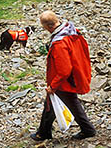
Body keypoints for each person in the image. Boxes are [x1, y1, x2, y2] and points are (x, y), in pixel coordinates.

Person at [31, 10, 96, 141]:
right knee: (52, 103)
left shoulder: (59, 44)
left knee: (68, 103)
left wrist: (53, 85)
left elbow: (64, 70)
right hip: (73, 76)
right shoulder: (70, 30)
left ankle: (88, 129)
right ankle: (43, 132)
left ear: (49, 26)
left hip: (64, 81)